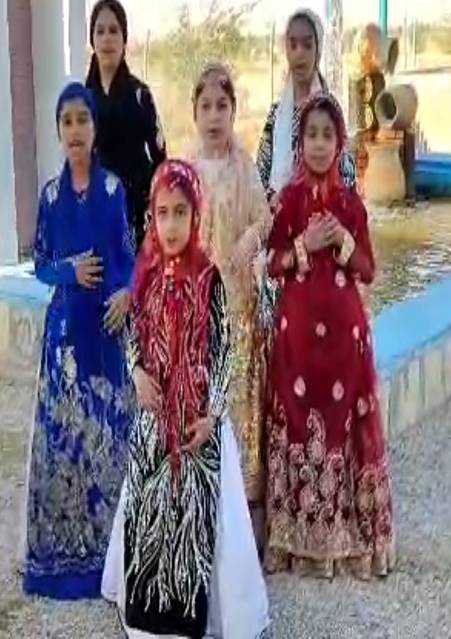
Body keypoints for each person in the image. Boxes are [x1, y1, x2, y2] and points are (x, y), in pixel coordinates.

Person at [102, 159, 270, 639]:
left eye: (181, 212)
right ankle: (150, 609)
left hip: (199, 422)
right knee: (149, 508)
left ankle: (204, 613)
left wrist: (213, 415)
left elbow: (226, 350)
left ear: (196, 215)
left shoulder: (209, 278)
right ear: (151, 218)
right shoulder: (146, 276)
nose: (171, 225)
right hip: (155, 418)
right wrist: (137, 372)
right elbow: (133, 336)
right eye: (163, 213)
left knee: (200, 514)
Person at [262, 93, 395, 581]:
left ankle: (346, 537)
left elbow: (369, 269)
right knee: (297, 426)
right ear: (300, 143)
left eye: (327, 135)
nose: (319, 145)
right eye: (311, 135)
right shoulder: (288, 201)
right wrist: (303, 244)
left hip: (343, 340)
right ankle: (294, 541)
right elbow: (272, 264)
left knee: (339, 427)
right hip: (296, 341)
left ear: (340, 143)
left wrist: (341, 241)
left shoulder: (350, 204)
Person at [22, 81, 137, 600]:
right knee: (66, 444)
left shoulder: (114, 191)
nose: (75, 130)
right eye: (66, 121)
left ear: (94, 128)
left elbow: (130, 258)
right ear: (58, 130)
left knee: (108, 440)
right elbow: (40, 265)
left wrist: (127, 294)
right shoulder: (51, 197)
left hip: (107, 331)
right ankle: (64, 561)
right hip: (66, 339)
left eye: (82, 120)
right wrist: (69, 270)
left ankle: (113, 559)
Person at [183, 62, 273, 546]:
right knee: (205, 399)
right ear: (195, 113)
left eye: (222, 106)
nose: (214, 115)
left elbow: (265, 219)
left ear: (233, 111)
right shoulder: (187, 171)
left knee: (242, 402)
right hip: (201, 308)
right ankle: (205, 514)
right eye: (206, 107)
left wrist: (249, 240)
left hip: (239, 307)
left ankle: (247, 517)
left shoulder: (244, 167)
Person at [87, 0, 168, 248]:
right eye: (100, 31)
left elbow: (160, 158)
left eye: (114, 31)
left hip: (136, 217)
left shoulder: (140, 95)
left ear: (124, 38)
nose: (107, 39)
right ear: (92, 39)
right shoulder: (81, 101)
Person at [255, 8, 356, 204]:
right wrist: (275, 200)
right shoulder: (276, 115)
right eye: (292, 45)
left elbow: (348, 177)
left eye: (307, 45)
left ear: (318, 50)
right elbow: (259, 178)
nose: (299, 53)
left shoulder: (330, 109)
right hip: (280, 216)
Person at [348, 24, 386, 182]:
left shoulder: (378, 78)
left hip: (373, 139)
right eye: (375, 50)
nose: (379, 55)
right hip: (361, 141)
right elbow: (358, 120)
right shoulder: (357, 80)